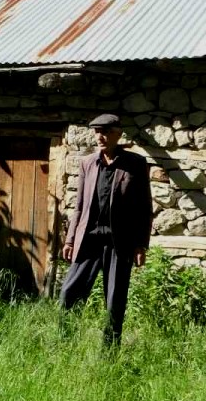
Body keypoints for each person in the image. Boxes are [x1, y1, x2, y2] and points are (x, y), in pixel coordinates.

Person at [59, 114, 154, 348]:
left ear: (118, 133)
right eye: (96, 131)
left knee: (114, 299)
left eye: (105, 131)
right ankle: (64, 343)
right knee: (69, 293)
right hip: (89, 239)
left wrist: (141, 244)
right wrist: (70, 240)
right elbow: (80, 204)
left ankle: (109, 351)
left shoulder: (135, 164)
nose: (100, 137)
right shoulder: (88, 163)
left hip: (119, 242)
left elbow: (144, 207)